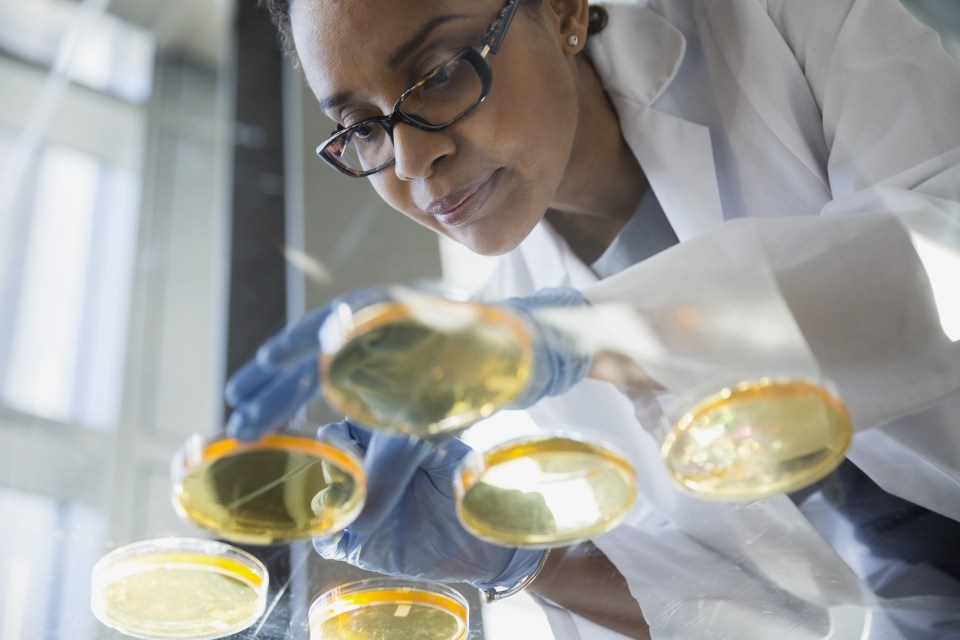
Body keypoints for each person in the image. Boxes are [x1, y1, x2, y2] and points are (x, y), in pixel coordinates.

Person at [226, 0, 960, 637]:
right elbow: (763, 615)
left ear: (567, 10)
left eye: (442, 71)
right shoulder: (498, 354)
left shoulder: (781, 27)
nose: (414, 159)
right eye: (361, 127)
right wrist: (520, 554)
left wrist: (586, 334)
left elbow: (941, 255)